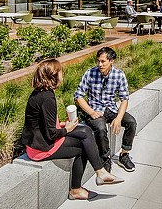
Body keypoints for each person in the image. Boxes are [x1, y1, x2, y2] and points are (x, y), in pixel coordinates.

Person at [20, 59, 125, 201]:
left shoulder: (41, 92)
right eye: (60, 72)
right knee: (84, 147)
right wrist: (67, 129)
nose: (62, 75)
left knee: (86, 132)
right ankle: (80, 187)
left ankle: (100, 173)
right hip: (41, 148)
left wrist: (63, 124)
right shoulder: (47, 98)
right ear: (54, 75)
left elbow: (42, 123)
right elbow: (51, 134)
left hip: (40, 140)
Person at [75, 47, 137, 173]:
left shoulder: (119, 75)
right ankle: (105, 158)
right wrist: (91, 112)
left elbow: (124, 99)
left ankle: (124, 155)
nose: (100, 64)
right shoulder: (90, 73)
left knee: (131, 122)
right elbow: (78, 96)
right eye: (98, 61)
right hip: (95, 110)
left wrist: (119, 118)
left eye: (103, 61)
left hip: (111, 109)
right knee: (101, 128)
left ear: (111, 61)